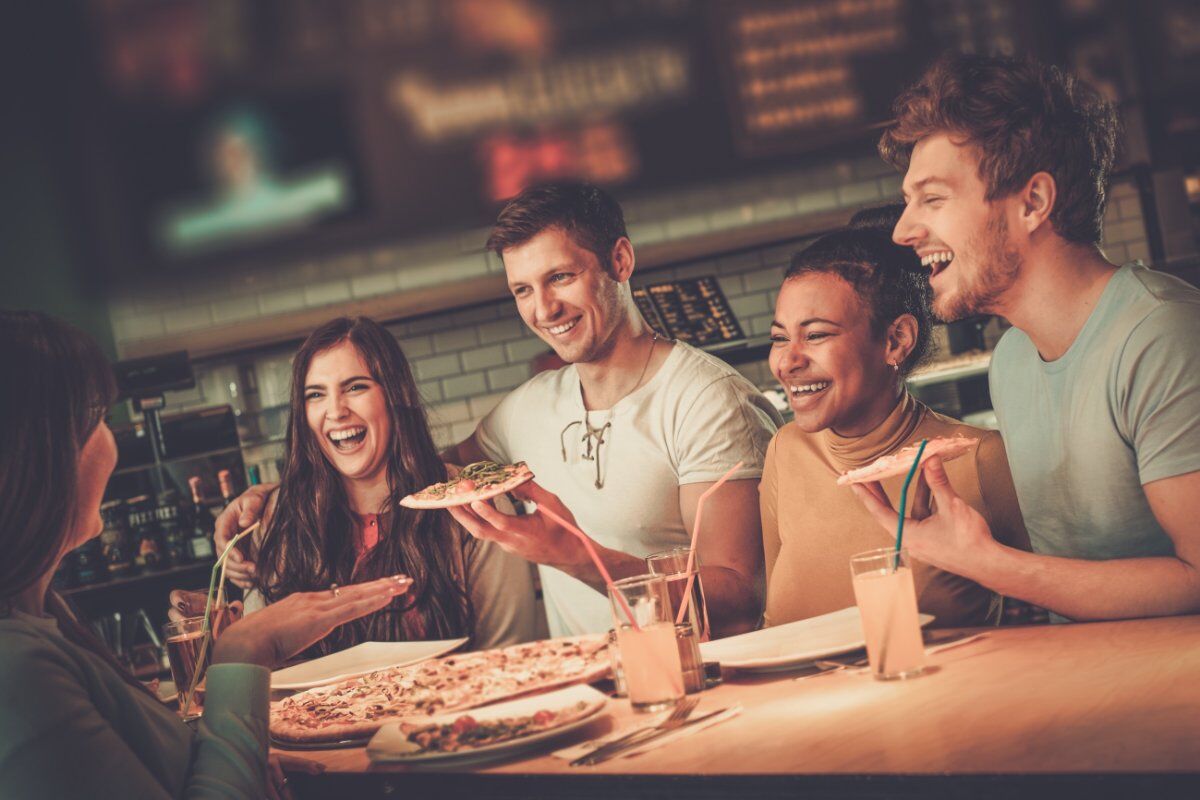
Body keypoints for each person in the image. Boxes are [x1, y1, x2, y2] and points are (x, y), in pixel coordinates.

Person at [0, 310, 409, 799]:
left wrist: (227, 751)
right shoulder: (17, 674)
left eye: (356, 387)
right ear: (37, 457)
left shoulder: (44, 620)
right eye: (98, 419)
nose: (112, 441)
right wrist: (242, 652)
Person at [854, 53, 1200, 622]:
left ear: (1033, 202)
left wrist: (987, 563)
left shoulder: (1161, 337)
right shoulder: (1012, 358)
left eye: (932, 198)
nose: (903, 229)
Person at [434, 183, 781, 639]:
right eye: (522, 289)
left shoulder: (708, 400)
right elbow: (441, 470)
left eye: (560, 277)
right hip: (590, 696)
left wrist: (582, 558)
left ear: (620, 261)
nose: (544, 309)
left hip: (707, 686)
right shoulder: (526, 410)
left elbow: (739, 601)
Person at [762, 218, 1029, 628]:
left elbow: (1050, 605)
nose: (788, 361)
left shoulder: (979, 459)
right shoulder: (785, 450)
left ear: (895, 341)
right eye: (780, 338)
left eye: (815, 336)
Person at [227, 316, 537, 654]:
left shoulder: (474, 505)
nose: (335, 411)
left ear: (397, 394)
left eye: (355, 387)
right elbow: (258, 664)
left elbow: (507, 654)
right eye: (315, 395)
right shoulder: (274, 520)